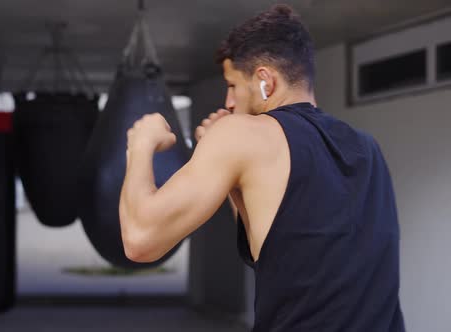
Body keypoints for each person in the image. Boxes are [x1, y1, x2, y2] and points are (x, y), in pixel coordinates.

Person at [119, 4, 405, 331]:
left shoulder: (241, 133)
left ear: (264, 80)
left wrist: (139, 145)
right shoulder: (367, 147)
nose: (228, 101)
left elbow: (140, 240)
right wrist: (231, 174)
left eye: (232, 85)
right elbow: (277, 252)